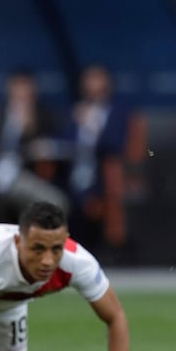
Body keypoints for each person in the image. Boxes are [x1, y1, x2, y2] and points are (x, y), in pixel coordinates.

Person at [0, 201, 129, 351]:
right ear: (18, 242)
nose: (48, 261)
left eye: (56, 249)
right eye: (38, 248)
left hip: (8, 306)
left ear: (65, 240)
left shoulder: (77, 262)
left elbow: (115, 315)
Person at [64, 65, 137, 261]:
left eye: (98, 79)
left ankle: (107, 250)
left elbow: (118, 146)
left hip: (103, 176)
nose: (94, 85)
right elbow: (64, 144)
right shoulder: (76, 112)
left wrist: (93, 128)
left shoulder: (118, 113)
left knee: (101, 192)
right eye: (90, 79)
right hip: (72, 172)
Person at [0, 71, 70, 223]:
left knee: (57, 203)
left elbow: (47, 149)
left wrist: (30, 131)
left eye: (27, 87)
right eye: (18, 87)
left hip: (24, 173)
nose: (23, 92)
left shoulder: (43, 116)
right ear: (9, 89)